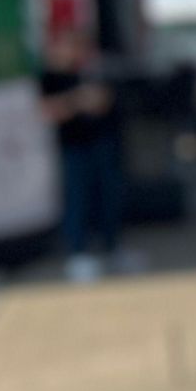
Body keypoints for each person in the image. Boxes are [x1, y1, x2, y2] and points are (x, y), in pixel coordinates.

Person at [38, 28, 129, 284]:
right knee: (76, 200)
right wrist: (77, 101)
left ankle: (112, 248)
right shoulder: (50, 76)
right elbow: (48, 111)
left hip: (100, 143)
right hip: (73, 148)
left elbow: (106, 101)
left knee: (108, 197)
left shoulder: (88, 73)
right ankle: (77, 254)